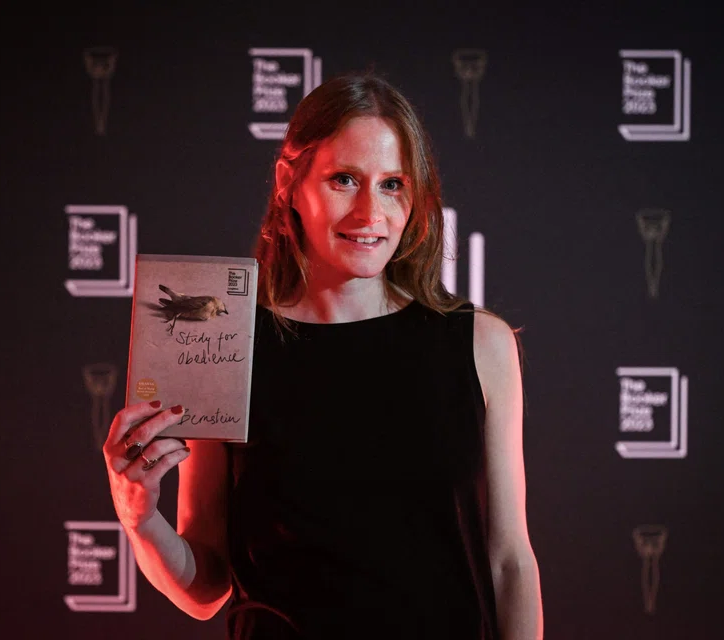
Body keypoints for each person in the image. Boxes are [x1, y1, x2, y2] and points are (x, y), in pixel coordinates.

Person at [104, 72, 544, 639]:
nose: (371, 213)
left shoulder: (480, 344)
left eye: (393, 184)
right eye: (344, 180)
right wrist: (139, 519)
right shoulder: (232, 341)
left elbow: (510, 562)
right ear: (291, 183)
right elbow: (205, 589)